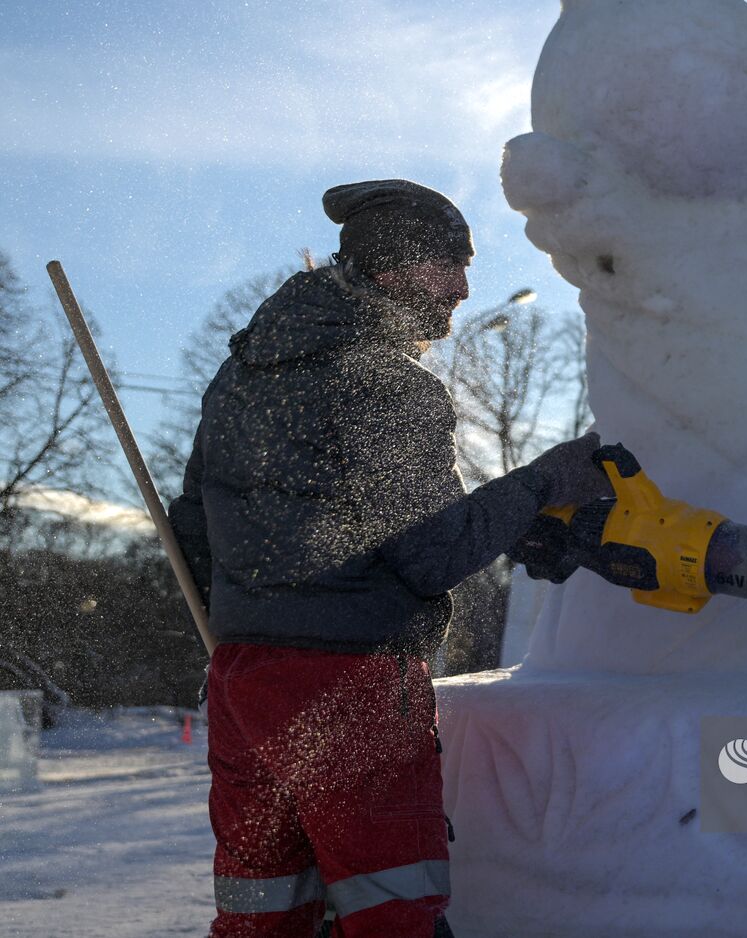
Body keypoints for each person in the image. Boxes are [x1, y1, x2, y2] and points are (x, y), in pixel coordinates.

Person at [167, 179, 611, 937]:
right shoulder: (384, 383)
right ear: (396, 267)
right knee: (390, 910)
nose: (466, 288)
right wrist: (546, 481)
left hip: (242, 680)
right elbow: (432, 553)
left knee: (263, 911)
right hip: (352, 690)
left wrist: (267, 624)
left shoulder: (243, 374)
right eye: (451, 265)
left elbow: (192, 533)